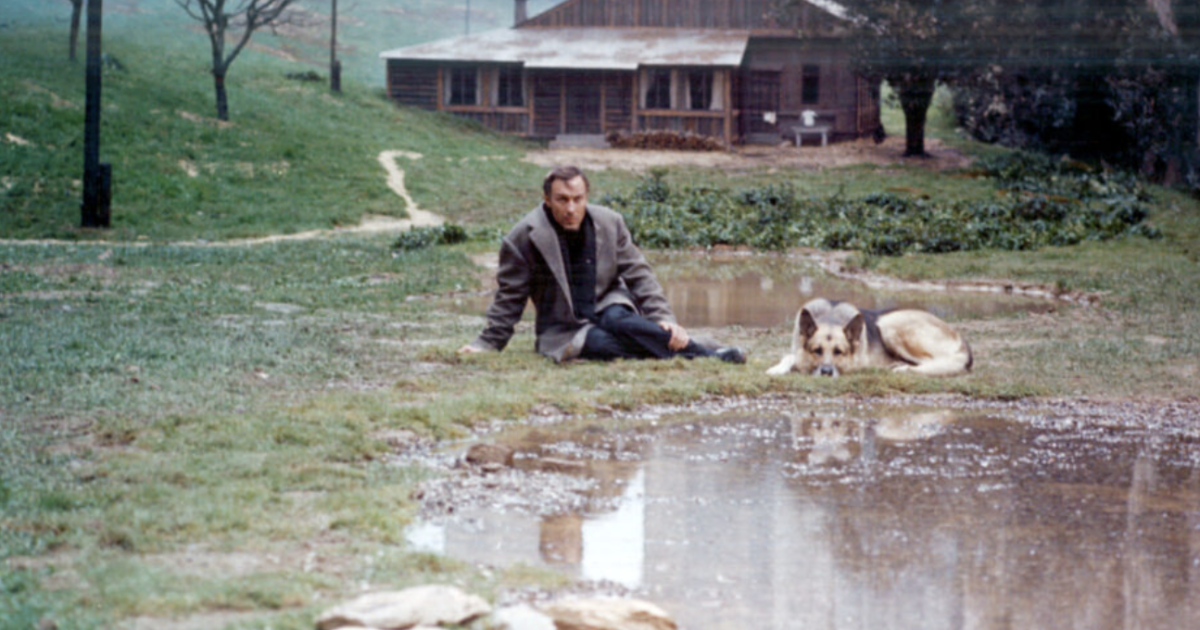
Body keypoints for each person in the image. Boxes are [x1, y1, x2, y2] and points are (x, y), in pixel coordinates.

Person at [458, 166, 745, 364]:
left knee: (620, 321)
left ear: (587, 197)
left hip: (609, 304)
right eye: (562, 200)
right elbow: (509, 298)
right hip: (566, 326)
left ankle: (701, 353)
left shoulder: (610, 222)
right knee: (602, 345)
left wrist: (664, 318)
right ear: (547, 199)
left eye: (577, 199)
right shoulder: (522, 238)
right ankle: (703, 350)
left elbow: (639, 274)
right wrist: (487, 344)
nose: (571, 209)